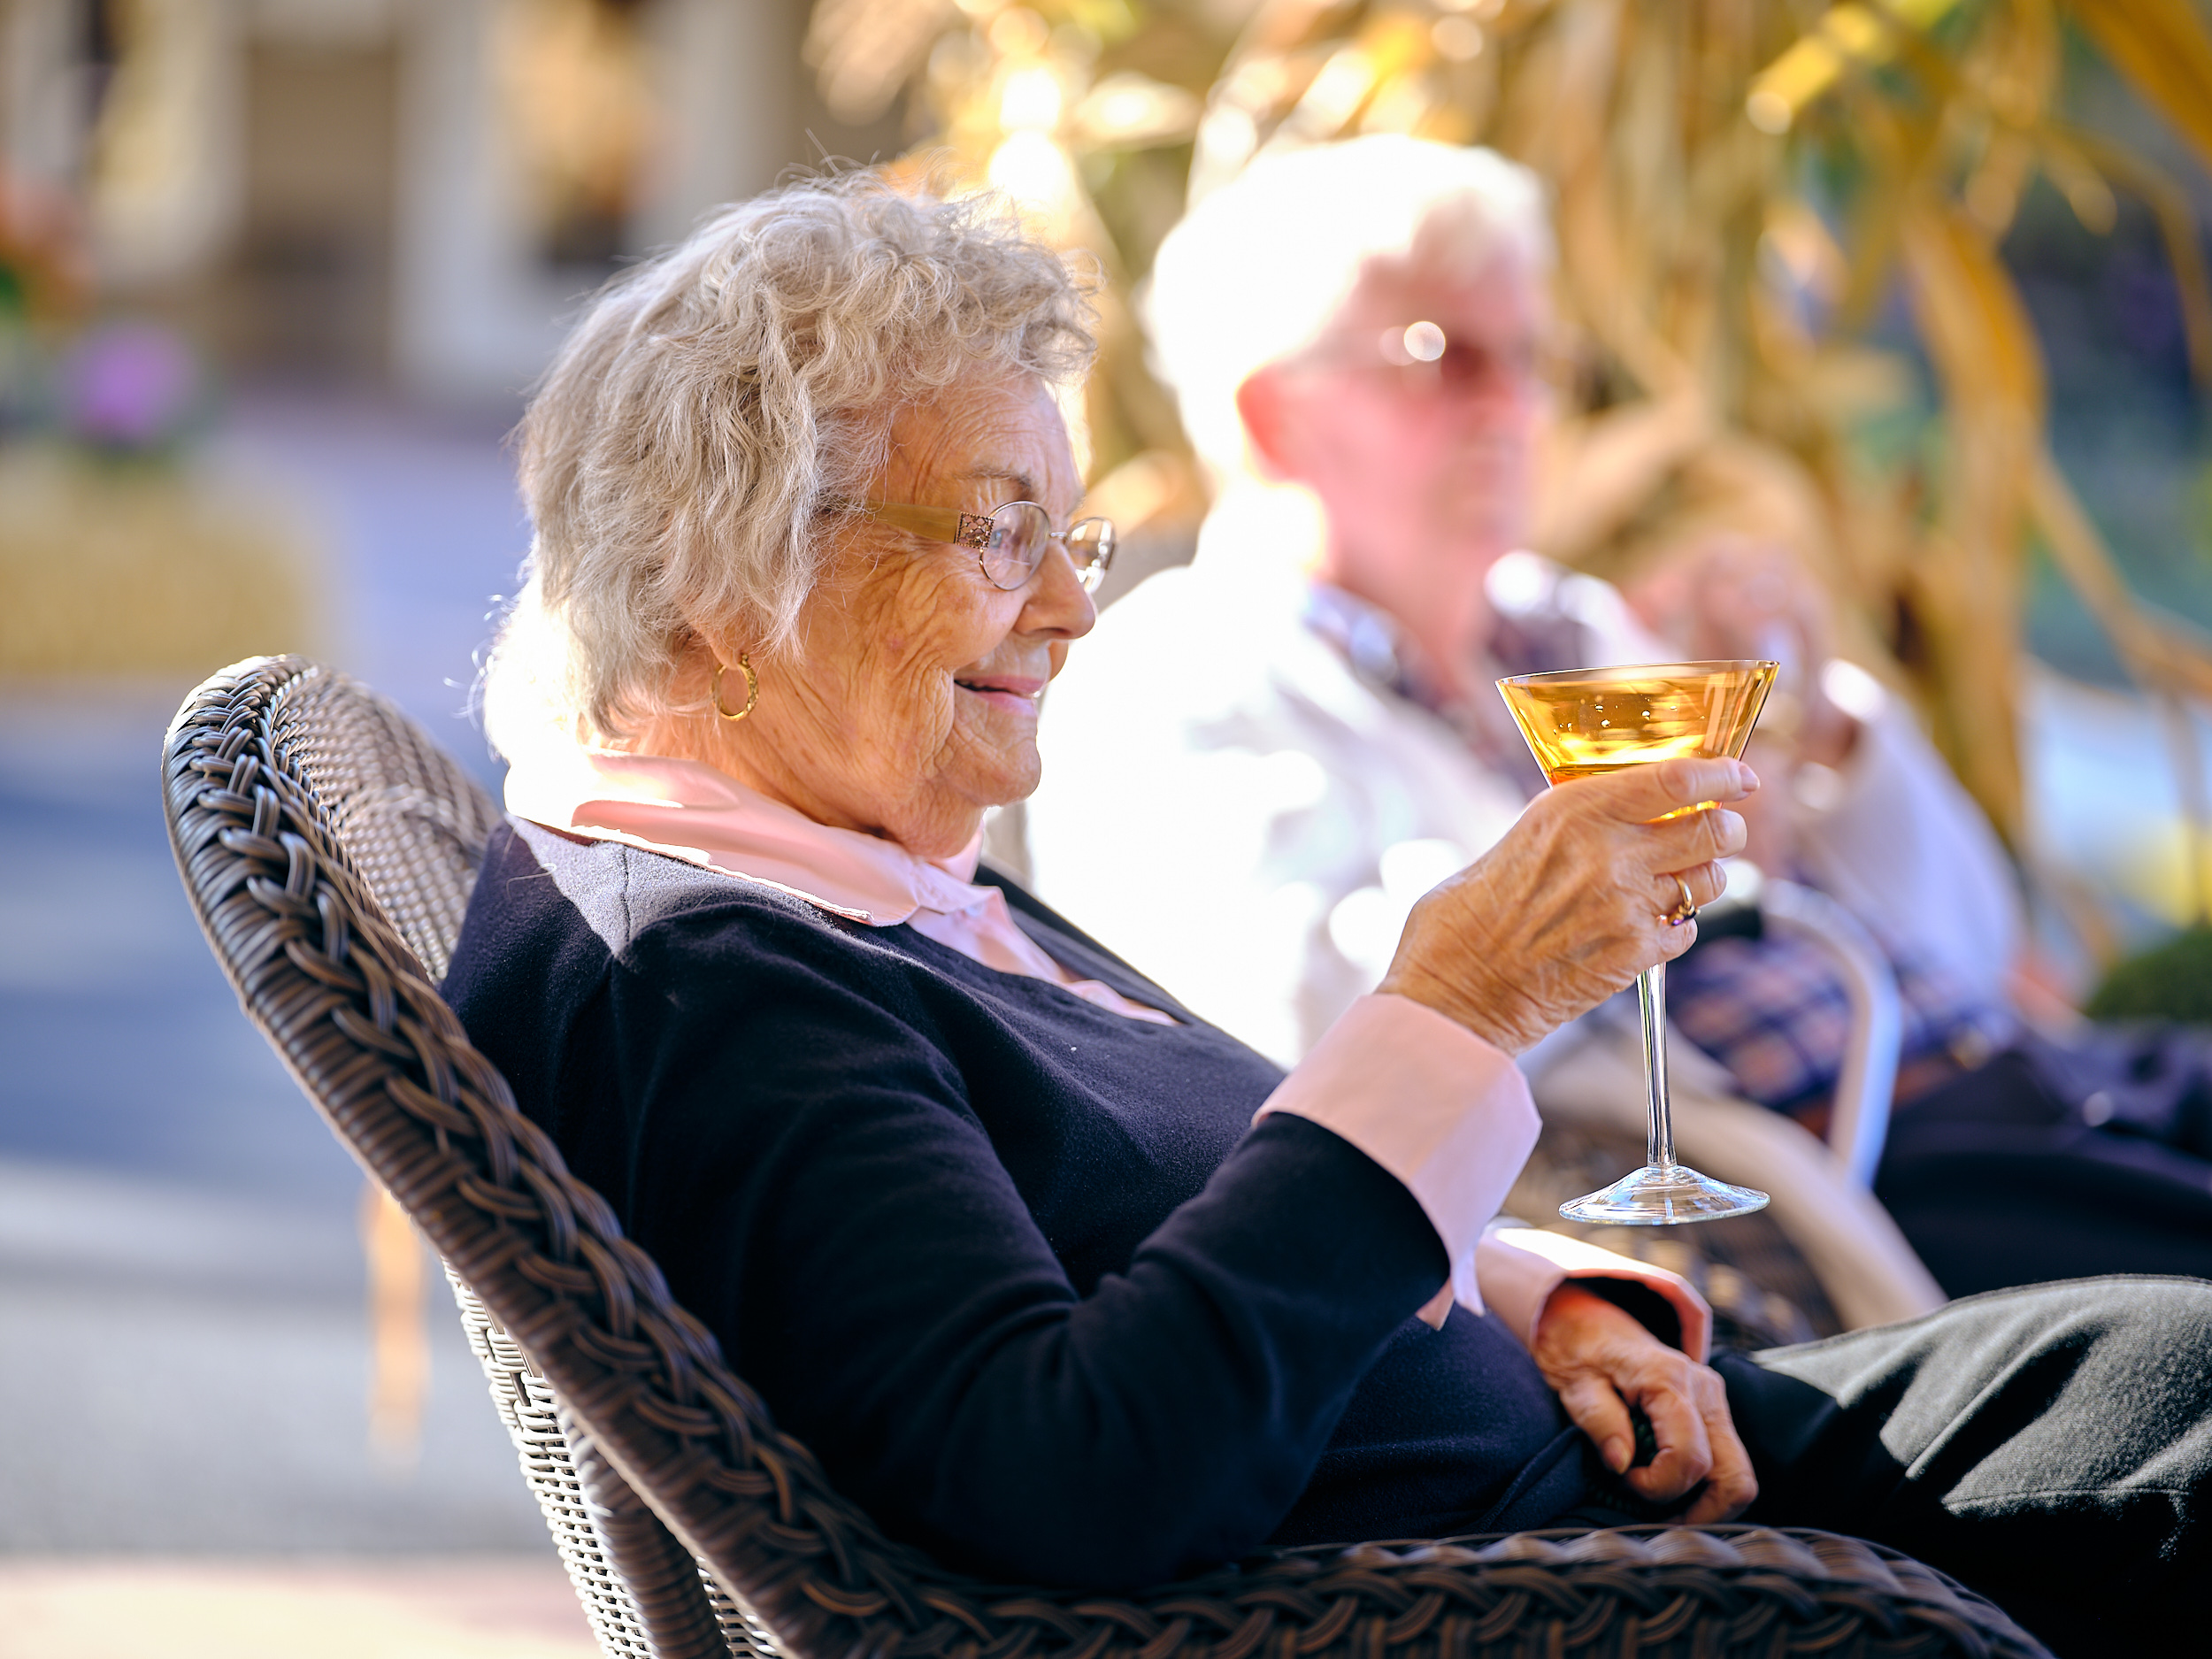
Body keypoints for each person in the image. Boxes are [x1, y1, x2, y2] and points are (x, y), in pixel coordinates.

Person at [445, 173, 2209, 1655]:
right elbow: (1072, 1474)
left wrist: (1533, 1287)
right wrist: (1453, 1003)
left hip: (1616, 1458)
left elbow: (1175, 1202)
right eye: (1000, 533)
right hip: (1547, 1583)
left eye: (1076, 537)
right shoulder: (708, 973)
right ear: (717, 570)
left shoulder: (850, 886)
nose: (1068, 606)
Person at [1023, 135, 2212, 1299]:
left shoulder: (1570, 629)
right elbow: (1297, 1039)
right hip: (1873, 1174)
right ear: (1276, 415)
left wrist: (1815, 739)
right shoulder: (1173, 681)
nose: (1511, 407)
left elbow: (1956, 934)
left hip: (2032, 1078)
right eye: (1441, 356)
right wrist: (1644, 868)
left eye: (1531, 357)